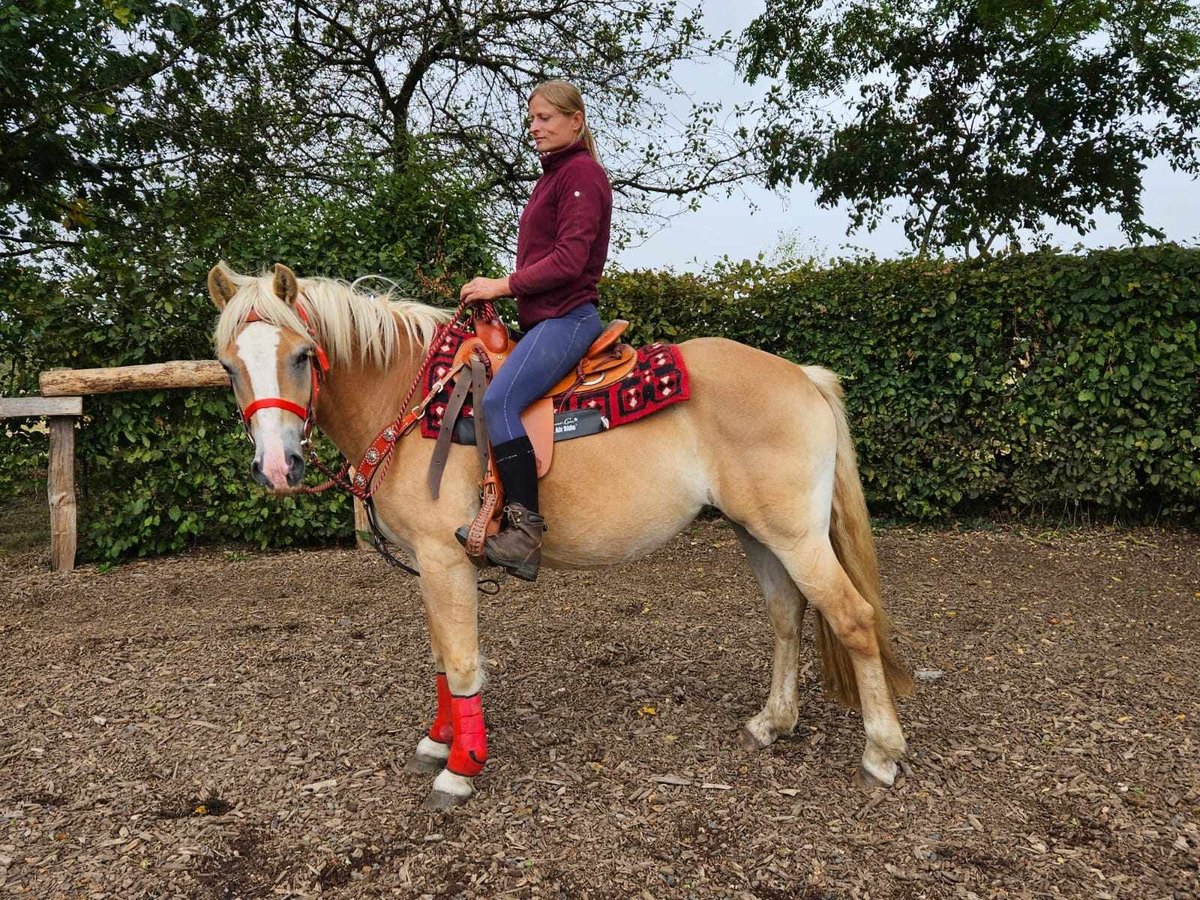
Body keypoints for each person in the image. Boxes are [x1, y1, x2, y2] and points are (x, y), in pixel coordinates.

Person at [458, 80, 613, 581]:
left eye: (546, 117)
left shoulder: (581, 175)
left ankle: (524, 535)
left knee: (498, 402)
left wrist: (500, 285)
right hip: (547, 320)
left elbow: (569, 260)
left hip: (568, 320)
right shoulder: (553, 178)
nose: (535, 127)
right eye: (531, 118)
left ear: (576, 120)